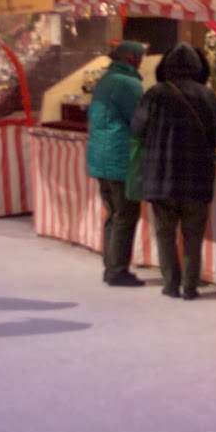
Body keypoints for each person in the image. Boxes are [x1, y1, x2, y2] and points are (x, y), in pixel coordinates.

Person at [131, 43, 216, 300]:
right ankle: (190, 286)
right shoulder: (207, 95)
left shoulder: (154, 94)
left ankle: (170, 284)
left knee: (165, 232)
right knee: (193, 234)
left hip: (160, 175)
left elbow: (137, 129)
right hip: (196, 176)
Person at [85, 41, 147, 287]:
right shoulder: (128, 84)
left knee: (113, 213)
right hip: (119, 157)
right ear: (131, 58)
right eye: (140, 57)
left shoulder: (107, 80)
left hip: (100, 156)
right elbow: (140, 119)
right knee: (125, 214)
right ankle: (117, 269)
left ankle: (110, 265)